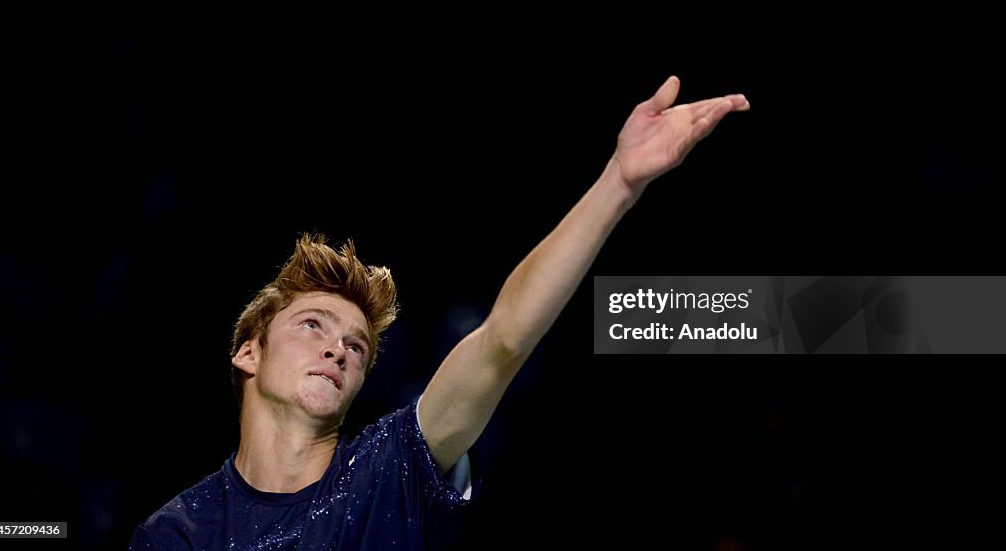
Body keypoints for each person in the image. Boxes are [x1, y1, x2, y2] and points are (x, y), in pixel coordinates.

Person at [127, 76, 750, 549]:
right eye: (313, 323)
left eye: (357, 346)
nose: (338, 348)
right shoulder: (177, 533)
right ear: (248, 352)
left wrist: (620, 179)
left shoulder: (392, 465)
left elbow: (504, 338)